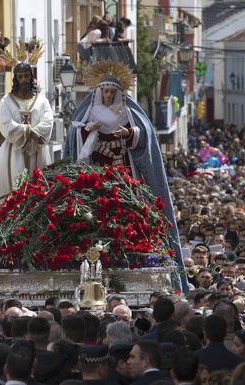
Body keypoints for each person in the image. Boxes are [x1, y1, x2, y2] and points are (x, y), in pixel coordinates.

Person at [64, 60, 186, 292]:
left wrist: (129, 133)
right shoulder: (89, 110)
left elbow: (145, 135)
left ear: (119, 92)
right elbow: (74, 133)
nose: (109, 95)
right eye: (105, 91)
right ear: (99, 92)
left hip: (122, 167)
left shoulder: (128, 110)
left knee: (125, 205)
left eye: (112, 91)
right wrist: (88, 130)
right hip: (96, 169)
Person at [0, 58, 53, 228]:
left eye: (26, 76)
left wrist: (35, 132)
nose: (23, 80)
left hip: (37, 150)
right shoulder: (6, 101)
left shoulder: (42, 100)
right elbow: (5, 124)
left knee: (39, 184)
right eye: (20, 77)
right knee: (8, 186)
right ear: (15, 79)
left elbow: (47, 122)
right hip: (14, 151)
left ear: (31, 78)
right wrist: (28, 131)